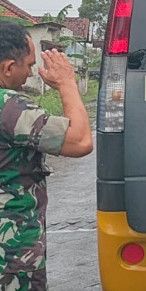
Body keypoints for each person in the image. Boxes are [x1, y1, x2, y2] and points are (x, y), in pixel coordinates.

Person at [0, 21, 93, 289]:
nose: (30, 74)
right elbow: (80, 141)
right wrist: (67, 84)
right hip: (12, 252)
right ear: (8, 67)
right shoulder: (9, 108)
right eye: (28, 65)